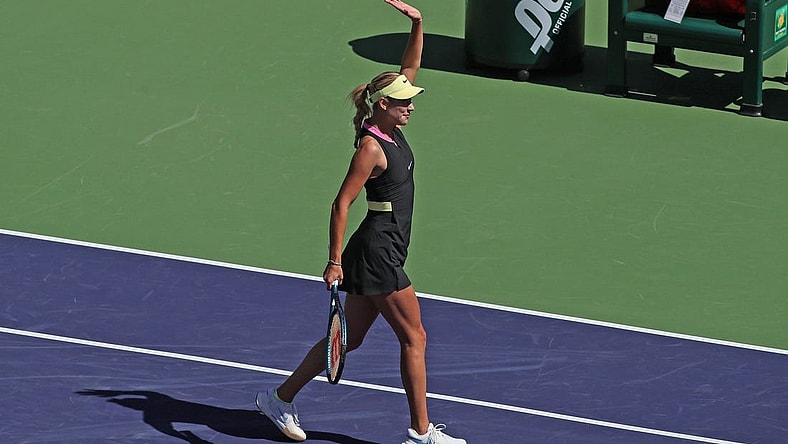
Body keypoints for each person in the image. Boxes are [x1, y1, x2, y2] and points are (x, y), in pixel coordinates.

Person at [255, 1, 466, 443]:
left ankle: (278, 399)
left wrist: (418, 23)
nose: (412, 106)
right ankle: (421, 433)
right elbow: (340, 204)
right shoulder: (371, 148)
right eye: (403, 103)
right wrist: (334, 262)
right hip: (377, 251)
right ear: (384, 106)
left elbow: (410, 66)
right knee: (416, 337)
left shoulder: (391, 124)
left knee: (348, 341)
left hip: (381, 247)